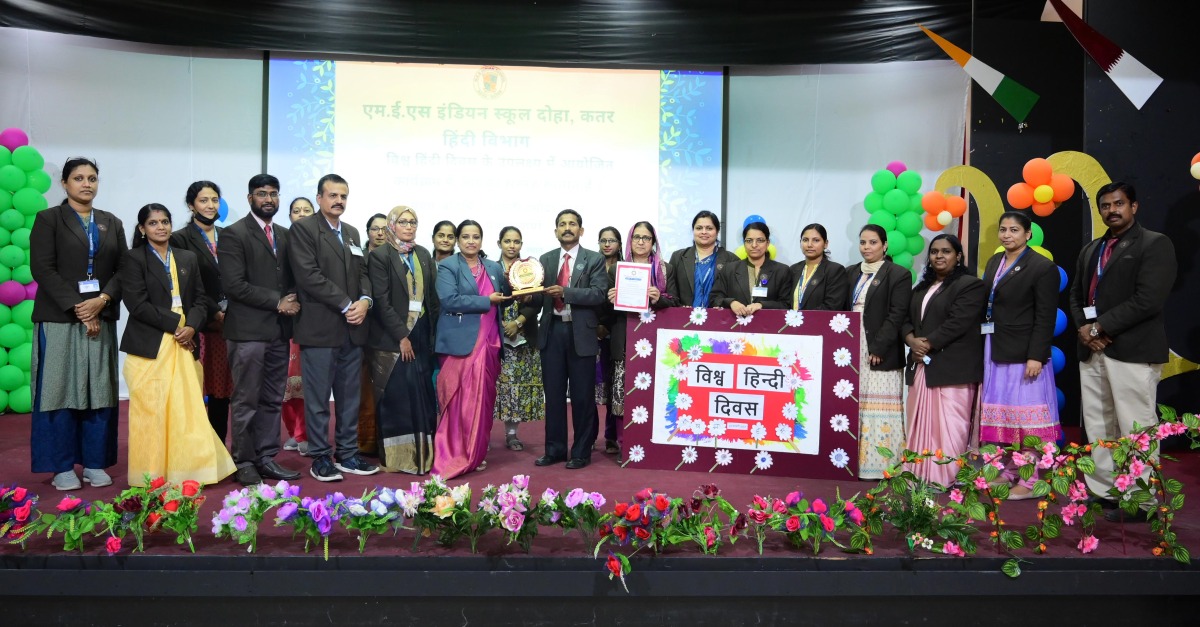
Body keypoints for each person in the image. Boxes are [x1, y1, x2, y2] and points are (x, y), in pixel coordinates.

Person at [1068, 182, 1176, 522]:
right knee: (1098, 423)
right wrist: (1085, 331)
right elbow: (1076, 296)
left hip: (1132, 349)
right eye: (1105, 205)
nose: (1112, 210)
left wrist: (1101, 328)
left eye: (1119, 203)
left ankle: (1141, 500)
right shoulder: (1092, 250)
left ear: (1134, 206)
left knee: (1136, 424)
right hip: (1093, 350)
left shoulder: (1155, 244)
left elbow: (1148, 299)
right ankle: (1105, 492)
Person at [119, 204, 236, 485]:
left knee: (188, 409)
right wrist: (176, 326)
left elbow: (199, 298)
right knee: (151, 411)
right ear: (142, 229)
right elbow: (136, 304)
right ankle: (151, 474)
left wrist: (192, 326)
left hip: (186, 340)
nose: (160, 227)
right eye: (153, 223)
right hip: (150, 342)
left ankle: (192, 471)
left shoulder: (187, 257)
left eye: (165, 221)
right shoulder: (133, 259)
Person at [29, 157, 126, 491]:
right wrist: (78, 307)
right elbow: (42, 268)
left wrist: (102, 301)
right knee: (58, 391)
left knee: (99, 390)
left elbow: (123, 271)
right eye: (79, 178)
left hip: (101, 315)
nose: (87, 184)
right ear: (65, 184)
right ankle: (61, 465)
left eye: (93, 178)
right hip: (59, 318)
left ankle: (95, 463)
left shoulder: (111, 222)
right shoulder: (48, 219)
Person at [289, 173, 378, 482]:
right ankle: (319, 457)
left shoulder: (352, 232)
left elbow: (363, 272)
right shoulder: (303, 229)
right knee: (317, 401)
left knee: (349, 398)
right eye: (333, 195)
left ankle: (347, 453)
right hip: (320, 329)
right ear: (319, 198)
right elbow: (307, 275)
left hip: (353, 330)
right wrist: (346, 303)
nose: (339, 201)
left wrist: (365, 300)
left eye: (343, 196)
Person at [219, 174, 302, 486]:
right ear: (250, 197)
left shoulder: (284, 234)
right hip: (247, 334)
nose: (269, 199)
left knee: (270, 399)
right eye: (262, 194)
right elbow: (234, 285)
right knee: (246, 399)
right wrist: (278, 302)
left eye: (274, 194)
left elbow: (292, 278)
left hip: (279, 333)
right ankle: (244, 460)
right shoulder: (233, 234)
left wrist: (293, 300)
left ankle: (266, 457)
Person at [979, 212, 1061, 500]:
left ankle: (1031, 481)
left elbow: (1045, 315)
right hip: (995, 346)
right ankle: (1011, 470)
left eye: (1014, 230)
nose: (1007, 235)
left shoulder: (1042, 267)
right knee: (1004, 413)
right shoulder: (995, 261)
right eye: (1003, 229)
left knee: (1026, 417)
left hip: (1025, 353)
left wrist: (1037, 355)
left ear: (1028, 234)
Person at [902, 234, 986, 487]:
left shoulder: (970, 285)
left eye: (946, 251)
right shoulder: (921, 288)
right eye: (935, 251)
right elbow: (905, 319)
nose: (939, 256)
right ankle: (919, 472)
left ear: (958, 256)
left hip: (954, 367)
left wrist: (926, 343)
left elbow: (959, 322)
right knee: (920, 423)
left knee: (952, 425)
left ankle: (945, 475)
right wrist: (911, 341)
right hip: (922, 365)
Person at [532, 210, 609, 470]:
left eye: (572, 224)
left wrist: (566, 292)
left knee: (582, 396)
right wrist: (523, 292)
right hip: (552, 332)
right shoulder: (545, 259)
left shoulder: (594, 259)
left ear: (581, 230)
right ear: (555, 231)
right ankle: (554, 450)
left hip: (581, 334)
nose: (567, 228)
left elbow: (598, 294)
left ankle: (581, 451)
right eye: (562, 224)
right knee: (553, 396)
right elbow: (537, 296)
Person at [432, 220, 509, 478]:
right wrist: (486, 301)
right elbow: (449, 300)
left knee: (482, 401)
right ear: (458, 239)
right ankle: (452, 452)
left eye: (476, 236)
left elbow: (507, 295)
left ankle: (476, 451)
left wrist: (526, 290)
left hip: (489, 342)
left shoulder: (494, 267)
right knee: (457, 402)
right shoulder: (448, 266)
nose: (471, 241)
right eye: (465, 236)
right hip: (459, 343)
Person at [367, 206, 439, 474]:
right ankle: (398, 459)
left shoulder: (421, 254)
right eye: (404, 222)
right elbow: (382, 302)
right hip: (393, 338)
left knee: (422, 394)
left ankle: (424, 457)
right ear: (392, 225)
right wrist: (401, 336)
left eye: (413, 222)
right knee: (397, 397)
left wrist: (434, 334)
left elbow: (431, 298)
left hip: (421, 333)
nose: (409, 227)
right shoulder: (380, 255)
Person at [603, 222, 676, 454]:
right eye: (637, 237)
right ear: (630, 241)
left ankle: (651, 443)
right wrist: (610, 298)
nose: (641, 242)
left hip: (656, 340)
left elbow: (677, 302)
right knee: (622, 392)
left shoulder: (665, 269)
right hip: (624, 337)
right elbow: (604, 312)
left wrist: (659, 298)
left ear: (653, 242)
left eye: (646, 238)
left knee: (653, 391)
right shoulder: (617, 269)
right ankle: (625, 444)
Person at [846, 225, 911, 479]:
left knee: (879, 406)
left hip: (879, 349)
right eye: (863, 242)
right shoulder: (851, 273)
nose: (867, 247)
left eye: (873, 242)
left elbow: (897, 314)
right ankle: (852, 463)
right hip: (852, 346)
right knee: (854, 404)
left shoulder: (898, 274)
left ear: (884, 245)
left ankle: (881, 466)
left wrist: (879, 347)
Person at [170, 181, 232, 445]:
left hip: (229, 326)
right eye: (204, 200)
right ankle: (193, 448)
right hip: (199, 324)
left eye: (215, 200)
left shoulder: (229, 236)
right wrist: (214, 311)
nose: (210, 205)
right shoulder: (179, 238)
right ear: (191, 204)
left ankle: (217, 447)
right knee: (195, 390)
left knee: (221, 391)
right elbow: (187, 285)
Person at [494, 226, 544, 451]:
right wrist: (501, 325)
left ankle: (512, 434)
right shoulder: (489, 269)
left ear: (521, 245)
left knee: (518, 389)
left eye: (516, 241)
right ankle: (482, 434)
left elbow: (538, 302)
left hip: (524, 334)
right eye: (507, 241)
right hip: (496, 335)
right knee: (496, 388)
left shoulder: (529, 269)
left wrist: (519, 322)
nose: (512, 245)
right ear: (499, 244)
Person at [281, 197, 313, 455]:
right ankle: (293, 431)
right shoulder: (281, 242)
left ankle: (305, 433)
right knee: (284, 384)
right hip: (283, 318)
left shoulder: (320, 242)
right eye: (296, 211)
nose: (301, 214)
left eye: (306, 210)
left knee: (305, 382)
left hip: (311, 320)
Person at [356, 212, 389, 456]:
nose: (379, 233)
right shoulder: (358, 257)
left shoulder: (394, 259)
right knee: (362, 391)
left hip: (386, 332)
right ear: (367, 232)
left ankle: (386, 439)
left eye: (383, 229)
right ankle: (364, 441)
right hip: (359, 329)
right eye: (374, 228)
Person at [710, 221, 791, 313]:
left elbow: (786, 304)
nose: (754, 245)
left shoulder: (781, 270)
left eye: (760, 240)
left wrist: (762, 305)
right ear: (744, 244)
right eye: (749, 241)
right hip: (736, 324)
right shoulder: (729, 269)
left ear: (768, 243)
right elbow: (715, 298)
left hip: (769, 325)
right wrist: (731, 302)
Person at [667, 210, 738, 308]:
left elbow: (737, 293)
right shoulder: (678, 257)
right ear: (693, 231)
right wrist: (680, 307)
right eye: (699, 228)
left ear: (717, 231)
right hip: (684, 318)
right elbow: (670, 293)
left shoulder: (731, 260)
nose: (704, 232)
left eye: (709, 228)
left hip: (720, 318)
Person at [595, 226, 623, 452]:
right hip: (592, 332)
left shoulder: (625, 268)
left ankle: (612, 436)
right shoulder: (591, 264)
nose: (607, 244)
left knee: (614, 385)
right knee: (594, 387)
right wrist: (597, 326)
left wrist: (606, 326)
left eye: (611, 240)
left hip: (615, 331)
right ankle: (590, 436)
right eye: (603, 240)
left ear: (620, 244)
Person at [788, 223, 847, 311]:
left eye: (816, 240)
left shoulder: (835, 270)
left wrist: (804, 320)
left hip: (820, 323)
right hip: (791, 323)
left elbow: (832, 306)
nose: (809, 245)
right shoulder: (793, 269)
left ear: (826, 243)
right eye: (805, 240)